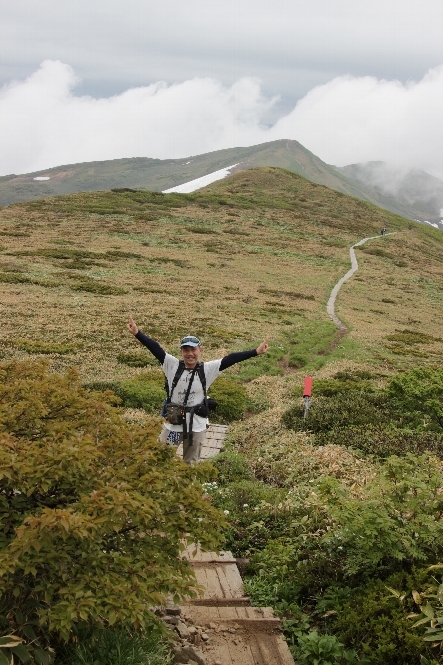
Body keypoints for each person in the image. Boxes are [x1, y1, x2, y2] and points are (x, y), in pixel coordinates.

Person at [127, 316, 269, 464]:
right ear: (181, 352)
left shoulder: (208, 369)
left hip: (196, 426)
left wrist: (255, 352)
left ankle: (186, 486)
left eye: (193, 349)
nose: (190, 354)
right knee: (161, 458)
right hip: (174, 424)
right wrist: (138, 333)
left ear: (200, 350)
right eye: (186, 350)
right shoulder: (172, 365)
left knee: (190, 463)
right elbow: (155, 348)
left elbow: (231, 358)